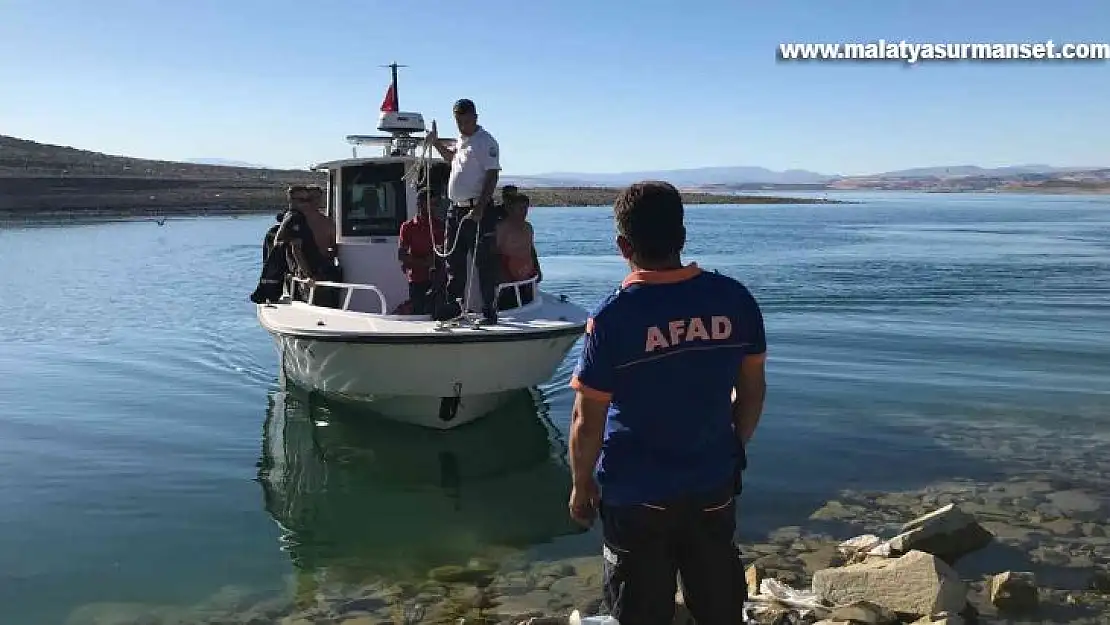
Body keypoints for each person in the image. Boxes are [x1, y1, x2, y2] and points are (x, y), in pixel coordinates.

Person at [566, 181, 768, 625]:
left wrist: (582, 483)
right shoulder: (734, 298)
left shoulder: (614, 317)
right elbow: (752, 388)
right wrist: (735, 443)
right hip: (713, 484)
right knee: (718, 607)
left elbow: (587, 418)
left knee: (641, 612)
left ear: (623, 245)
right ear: (682, 235)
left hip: (637, 496)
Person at [426, 98, 501, 323]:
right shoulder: (462, 140)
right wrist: (435, 143)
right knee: (454, 262)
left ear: (475, 118)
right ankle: (454, 308)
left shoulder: (485, 142)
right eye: (458, 121)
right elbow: (452, 159)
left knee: (483, 261)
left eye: (466, 121)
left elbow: (492, 174)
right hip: (455, 210)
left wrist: (479, 209)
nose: (462, 125)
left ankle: (489, 311)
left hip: (477, 210)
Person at [398, 185, 446, 315]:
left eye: (437, 204)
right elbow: (402, 255)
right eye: (433, 203)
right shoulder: (407, 227)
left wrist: (414, 261)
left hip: (437, 281)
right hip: (416, 280)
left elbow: (443, 254)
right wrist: (425, 262)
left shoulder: (440, 226)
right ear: (421, 204)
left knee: (437, 316)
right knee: (418, 316)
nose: (435, 207)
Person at [495, 193, 541, 310]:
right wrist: (501, 274)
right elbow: (495, 252)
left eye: (526, 208)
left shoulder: (528, 227)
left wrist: (538, 269)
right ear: (511, 209)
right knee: (511, 304)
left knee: (528, 302)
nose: (524, 211)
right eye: (520, 208)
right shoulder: (502, 228)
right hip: (508, 273)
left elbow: (531, 249)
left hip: (527, 272)